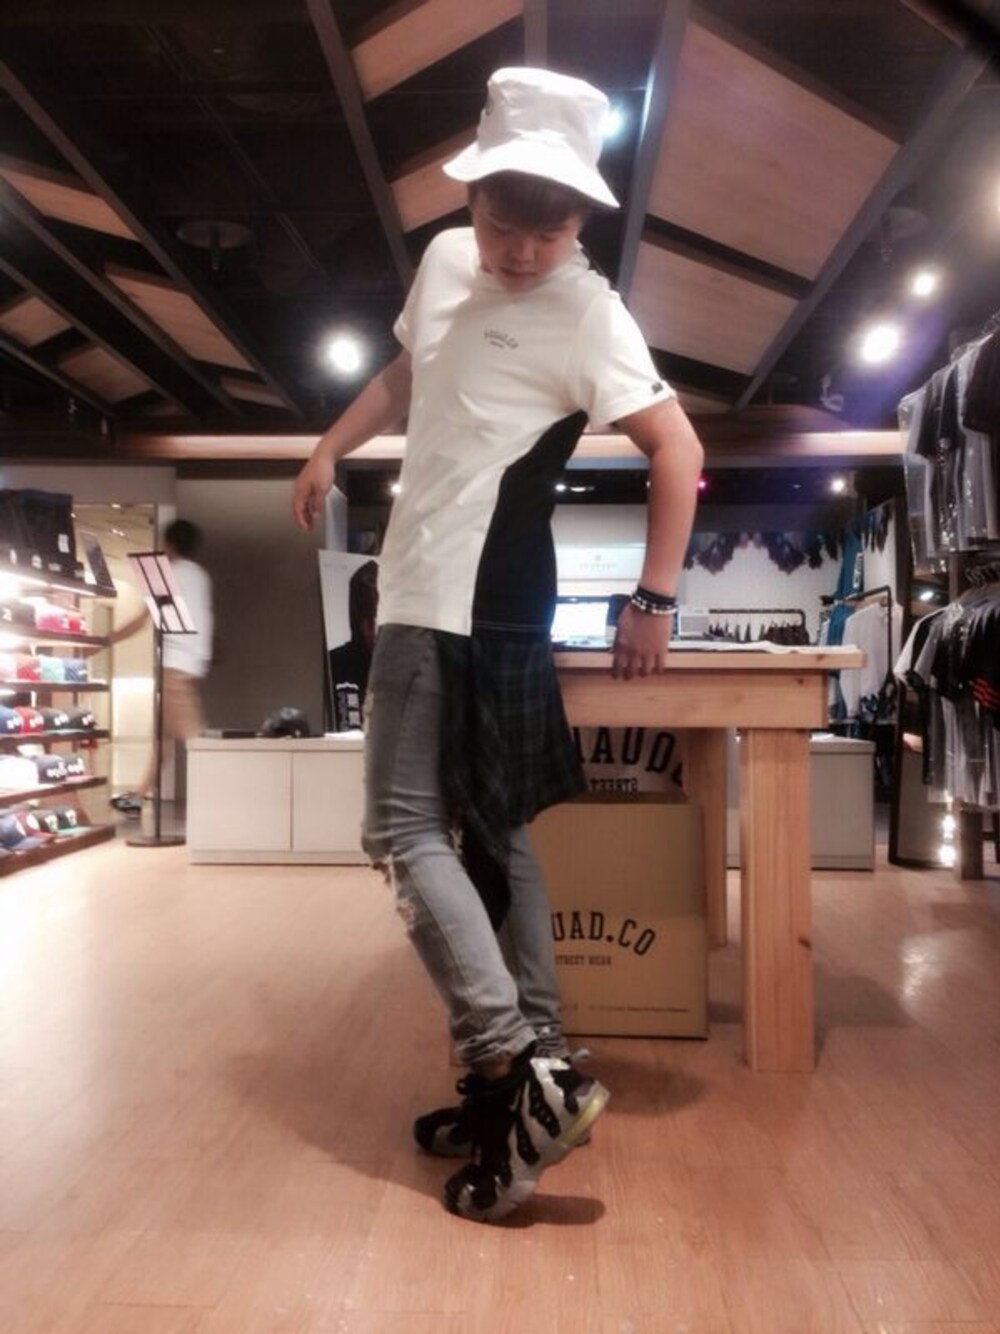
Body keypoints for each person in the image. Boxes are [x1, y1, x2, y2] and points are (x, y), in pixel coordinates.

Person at [292, 66, 703, 1223]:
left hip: (465, 595)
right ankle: (532, 1065)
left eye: (549, 230)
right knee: (492, 830)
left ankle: (513, 1063)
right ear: (469, 201)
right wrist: (329, 445)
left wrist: (654, 598)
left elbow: (677, 449)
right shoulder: (441, 264)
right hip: (435, 585)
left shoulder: (589, 310)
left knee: (400, 828)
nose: (522, 252)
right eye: (501, 224)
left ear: (580, 221)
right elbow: (406, 372)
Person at [109, 518, 214, 809]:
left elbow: (141, 620)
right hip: (192, 665)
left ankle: (217, 798)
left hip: (173, 667)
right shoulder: (201, 576)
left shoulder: (165, 575)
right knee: (162, 738)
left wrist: (106, 639)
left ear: (168, 544)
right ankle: (137, 796)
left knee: (195, 739)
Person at [327, 559, 379, 728]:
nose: (371, 631)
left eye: (377, 619)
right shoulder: (334, 664)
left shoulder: (404, 669)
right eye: (366, 619)